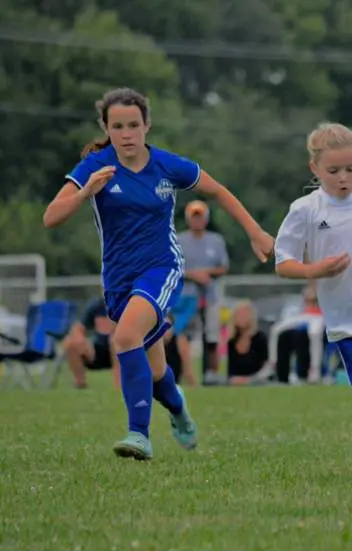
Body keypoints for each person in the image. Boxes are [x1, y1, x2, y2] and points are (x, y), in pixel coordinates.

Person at [43, 87, 274, 461]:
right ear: (106, 127)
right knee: (154, 370)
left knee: (126, 336)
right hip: (118, 280)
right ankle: (178, 407)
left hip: (161, 268)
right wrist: (86, 191)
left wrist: (255, 231)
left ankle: (139, 434)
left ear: (147, 125)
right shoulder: (96, 166)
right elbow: (51, 218)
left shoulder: (167, 165)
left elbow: (218, 191)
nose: (127, 133)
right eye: (117, 126)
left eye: (134, 124)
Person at [274, 122, 352, 433]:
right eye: (333, 171)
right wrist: (315, 270)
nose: (343, 177)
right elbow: (283, 263)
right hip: (346, 321)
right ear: (314, 167)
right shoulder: (305, 210)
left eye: (350, 168)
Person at [178, 200, 229, 384]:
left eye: (200, 217)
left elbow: (223, 267)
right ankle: (186, 374)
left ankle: (211, 375)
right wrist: (194, 275)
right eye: (194, 217)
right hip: (186, 296)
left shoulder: (215, 241)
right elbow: (173, 268)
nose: (197, 221)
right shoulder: (179, 240)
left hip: (210, 295)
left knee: (212, 336)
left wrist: (206, 273)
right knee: (184, 336)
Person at [267, 282, 325, 384]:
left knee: (314, 333)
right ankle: (273, 363)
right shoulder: (306, 289)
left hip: (319, 317)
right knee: (276, 329)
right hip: (304, 315)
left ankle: (314, 369)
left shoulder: (326, 286)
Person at [63, 296, 119, 389]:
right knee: (70, 342)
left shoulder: (132, 302)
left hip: (124, 351)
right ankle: (80, 384)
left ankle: (119, 386)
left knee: (115, 340)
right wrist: (79, 339)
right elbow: (78, 328)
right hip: (97, 351)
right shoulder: (98, 305)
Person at [227, 300, 269, 385]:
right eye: (239, 314)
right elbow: (231, 372)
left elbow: (266, 367)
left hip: (258, 380)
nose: (242, 317)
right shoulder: (232, 342)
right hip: (237, 383)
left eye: (245, 314)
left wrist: (248, 380)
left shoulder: (260, 338)